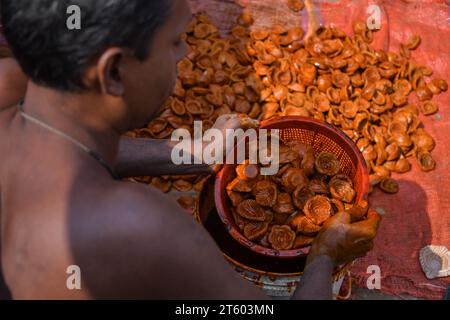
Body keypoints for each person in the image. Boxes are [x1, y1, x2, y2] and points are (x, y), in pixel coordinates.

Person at [0, 0, 380, 299]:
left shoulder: (12, 87)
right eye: (175, 41)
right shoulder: (139, 225)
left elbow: (68, 144)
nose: (185, 53)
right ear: (114, 72)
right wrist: (325, 256)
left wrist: (189, 153)